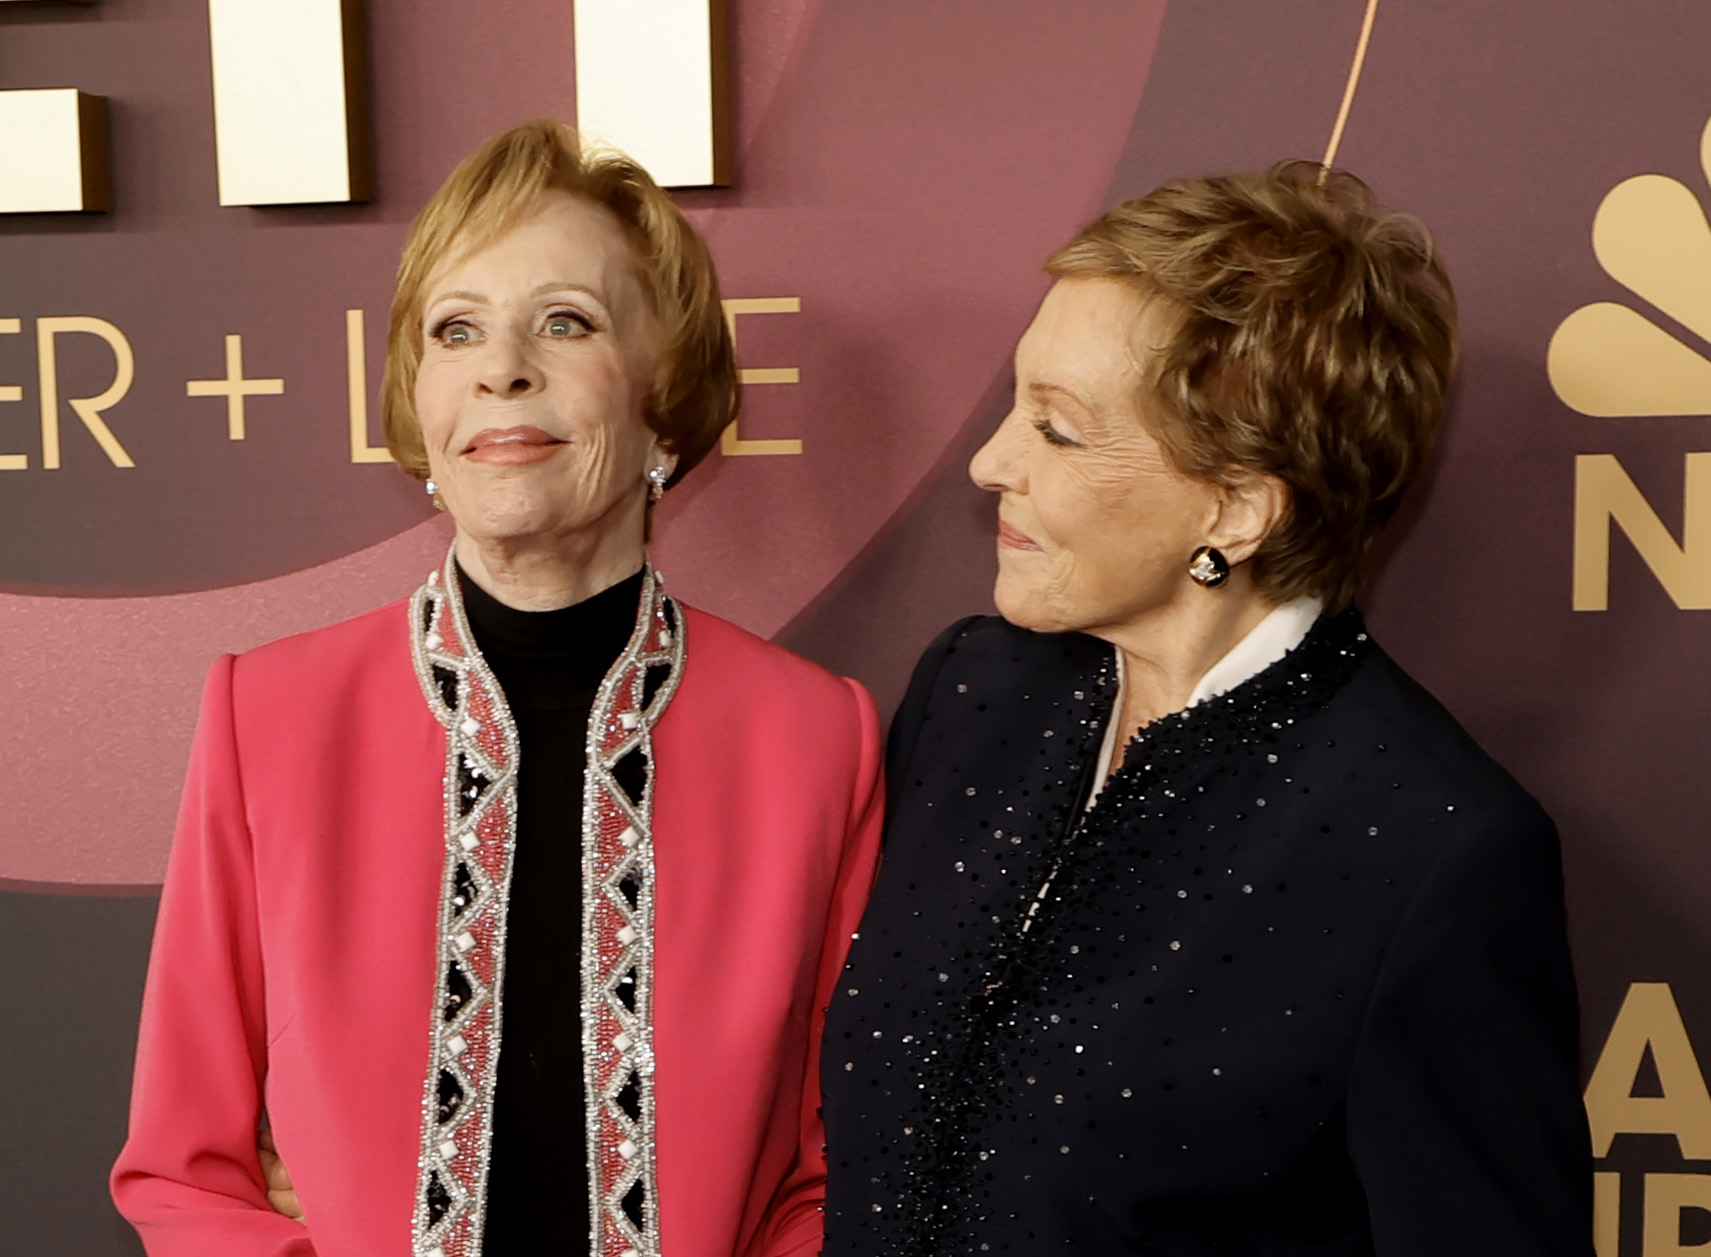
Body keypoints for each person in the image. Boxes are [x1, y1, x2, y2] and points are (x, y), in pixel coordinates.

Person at [111, 119, 883, 1257]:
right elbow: (186, 1173)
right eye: (455, 330)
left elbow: (841, 1171)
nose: (499, 367)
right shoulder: (264, 716)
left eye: (563, 322)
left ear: (663, 393)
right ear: (419, 405)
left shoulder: (820, 737)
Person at [821, 164, 1592, 1255]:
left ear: (1235, 508)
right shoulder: (973, 695)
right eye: (1013, 406)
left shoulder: (1432, 852)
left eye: (1057, 429)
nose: (990, 463)